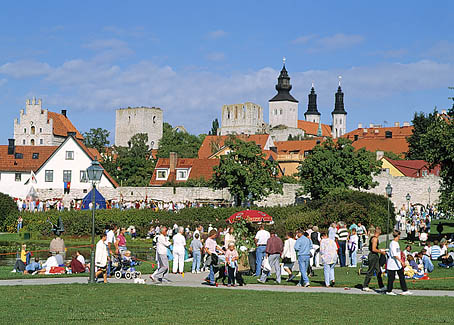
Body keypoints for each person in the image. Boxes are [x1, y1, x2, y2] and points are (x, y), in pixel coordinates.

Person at [386, 230, 412, 295]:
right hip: (392, 264)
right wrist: (401, 261)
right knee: (391, 278)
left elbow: (398, 252)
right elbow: (394, 254)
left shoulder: (397, 243)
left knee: (401, 276)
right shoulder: (392, 243)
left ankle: (405, 290)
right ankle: (389, 291)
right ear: (398, 236)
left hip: (398, 264)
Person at [363, 227, 387, 292]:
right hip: (373, 256)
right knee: (370, 271)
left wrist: (380, 250)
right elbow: (373, 249)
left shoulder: (374, 238)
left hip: (375, 256)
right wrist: (381, 251)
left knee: (378, 271)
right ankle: (365, 285)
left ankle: (381, 286)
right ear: (379, 232)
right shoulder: (375, 239)